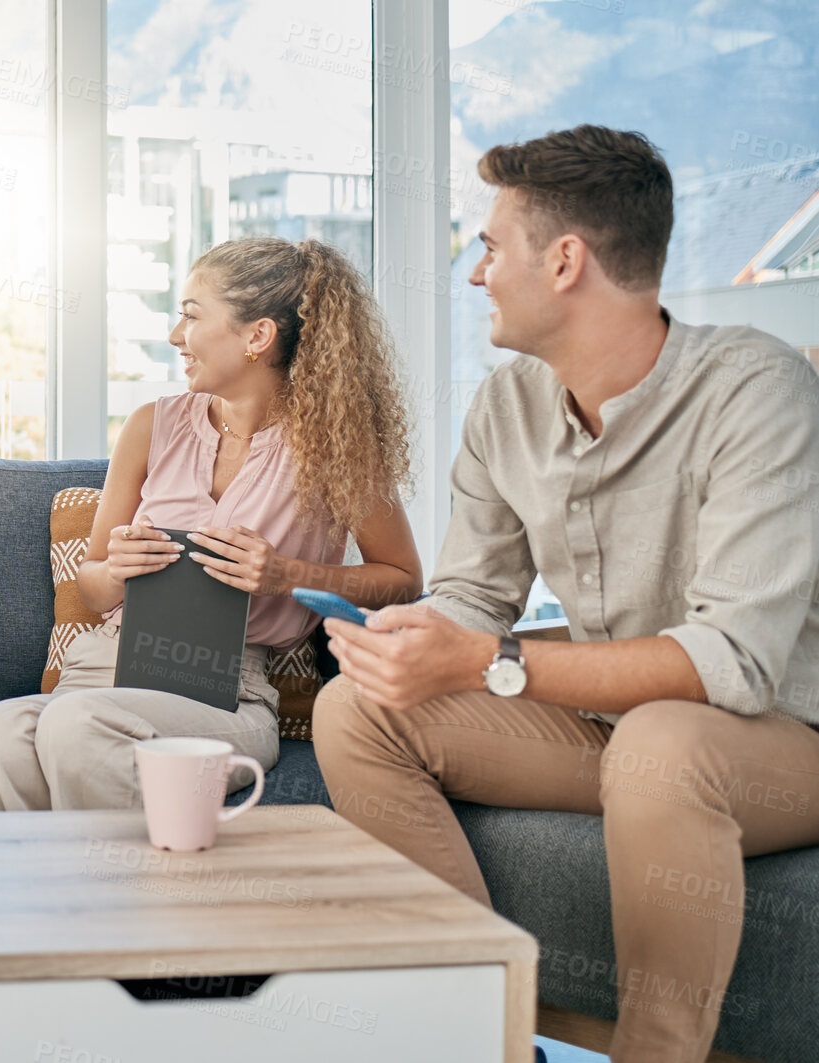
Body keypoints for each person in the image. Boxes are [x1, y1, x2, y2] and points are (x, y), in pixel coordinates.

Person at [311, 125, 819, 1063]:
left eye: (489, 247)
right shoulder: (504, 407)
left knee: (663, 742)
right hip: (617, 733)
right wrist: (414, 636)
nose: (475, 275)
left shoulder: (758, 388)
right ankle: (483, 1035)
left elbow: (731, 663)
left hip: (779, 736)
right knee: (359, 707)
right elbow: (472, 594)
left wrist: (483, 660)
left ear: (564, 262)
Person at [0, 237, 422, 811]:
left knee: (76, 728)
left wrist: (284, 574)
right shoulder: (153, 425)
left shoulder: (336, 447)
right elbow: (94, 589)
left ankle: (117, 893)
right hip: (107, 666)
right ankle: (61, 893)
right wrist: (117, 570)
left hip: (227, 691)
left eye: (191, 317)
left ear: (257, 336)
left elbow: (401, 578)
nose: (176, 337)